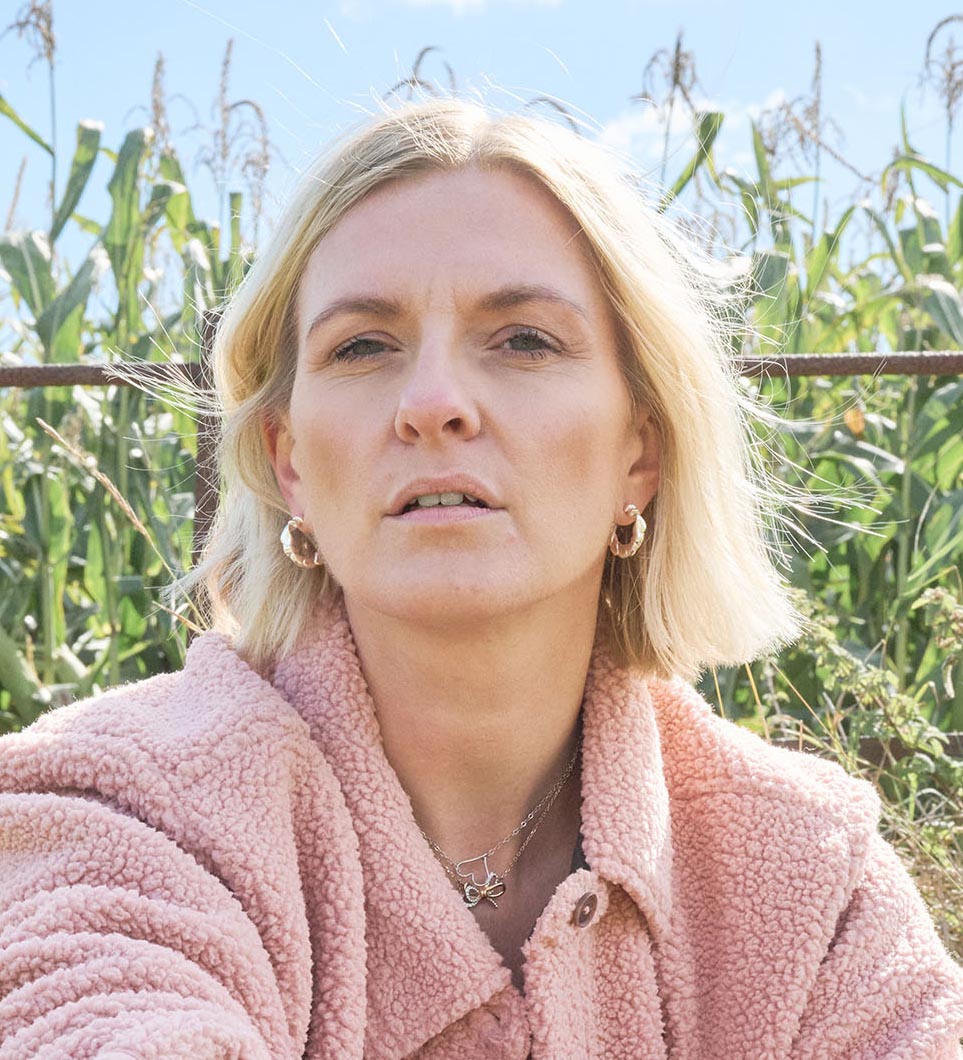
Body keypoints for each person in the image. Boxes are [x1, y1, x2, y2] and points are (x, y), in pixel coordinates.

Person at [1, 96, 962, 1060]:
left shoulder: (806, 879)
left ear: (642, 448)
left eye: (524, 340)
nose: (431, 405)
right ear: (287, 461)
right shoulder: (119, 805)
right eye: (362, 346)